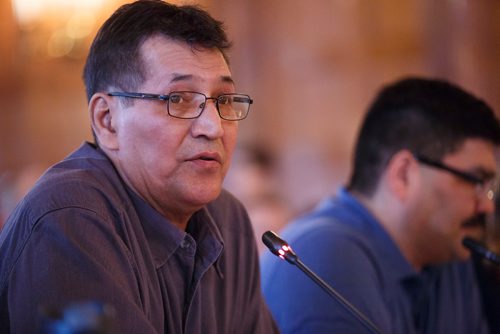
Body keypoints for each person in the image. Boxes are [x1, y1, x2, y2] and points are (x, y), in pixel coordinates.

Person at [0, 1, 278, 333]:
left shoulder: (229, 220)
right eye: (179, 100)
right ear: (108, 120)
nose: (214, 127)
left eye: (223, 100)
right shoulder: (69, 217)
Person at [261, 77, 500, 334]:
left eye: (490, 189)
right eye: (475, 182)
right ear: (404, 175)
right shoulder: (323, 254)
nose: (486, 206)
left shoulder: (449, 251)